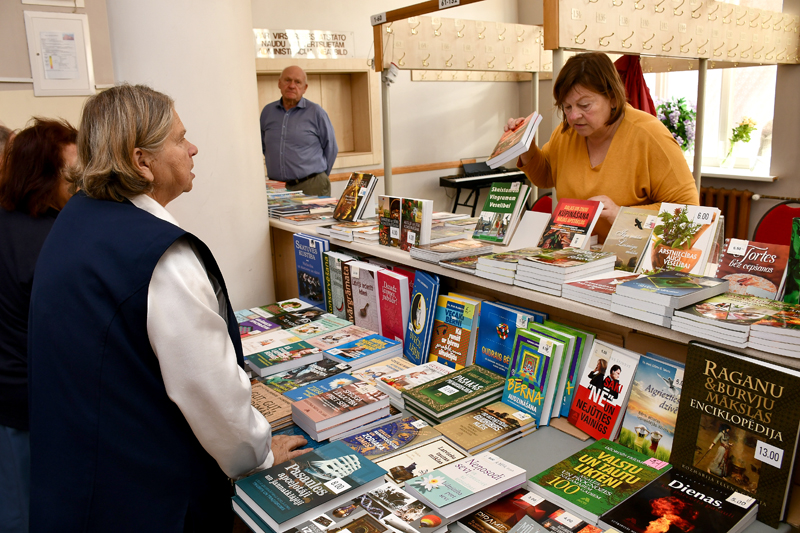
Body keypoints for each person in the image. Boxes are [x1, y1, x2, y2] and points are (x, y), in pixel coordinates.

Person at [27, 85, 310, 532]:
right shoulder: (161, 257)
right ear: (142, 161)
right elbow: (210, 394)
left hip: (80, 484)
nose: (193, 148)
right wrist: (259, 454)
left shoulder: (76, 218)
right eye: (180, 139)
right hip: (152, 499)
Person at [507, 52, 699, 241]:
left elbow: (689, 211)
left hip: (631, 253)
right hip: (578, 251)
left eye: (584, 105)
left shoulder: (650, 135)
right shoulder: (566, 133)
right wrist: (526, 146)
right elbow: (545, 176)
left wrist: (622, 215)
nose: (573, 116)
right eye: (567, 107)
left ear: (613, 98)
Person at [0, 118, 78, 533]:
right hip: (25, 399)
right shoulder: (51, 239)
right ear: (42, 177)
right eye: (72, 176)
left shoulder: (9, 218)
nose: (81, 186)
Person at [260, 66, 338, 196]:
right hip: (277, 188)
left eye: (297, 82)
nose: (292, 86)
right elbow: (263, 146)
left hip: (311, 186)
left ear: (304, 88)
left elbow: (331, 148)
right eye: (287, 80)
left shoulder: (316, 112)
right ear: (279, 83)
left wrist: (319, 176)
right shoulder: (268, 112)